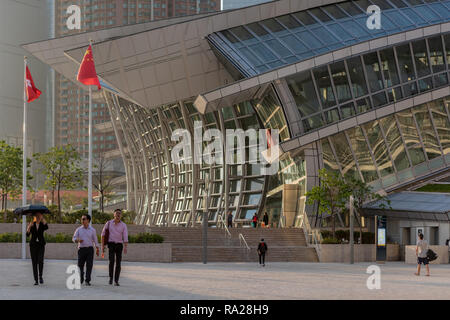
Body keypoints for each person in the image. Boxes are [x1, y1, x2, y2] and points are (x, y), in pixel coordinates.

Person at [101, 209, 128, 286]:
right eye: (117, 214)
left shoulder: (123, 225)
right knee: (111, 261)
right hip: (111, 244)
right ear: (114, 215)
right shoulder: (108, 223)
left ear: (121, 215)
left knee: (118, 263)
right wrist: (102, 246)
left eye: (119, 214)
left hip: (119, 245)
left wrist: (125, 247)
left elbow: (125, 236)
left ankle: (116, 280)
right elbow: (103, 234)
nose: (118, 215)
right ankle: (110, 277)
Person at [72, 214, 99, 286]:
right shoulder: (78, 229)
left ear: (88, 220)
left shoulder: (92, 230)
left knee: (89, 265)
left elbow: (95, 240)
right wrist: (77, 240)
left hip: (90, 249)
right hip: (81, 249)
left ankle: (87, 280)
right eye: (82, 219)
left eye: (84, 219)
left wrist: (97, 248)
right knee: (80, 265)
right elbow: (73, 238)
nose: (82, 220)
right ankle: (81, 277)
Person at [26, 213, 48, 285]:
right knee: (34, 262)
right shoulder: (32, 224)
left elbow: (46, 227)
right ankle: (36, 280)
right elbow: (27, 235)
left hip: (41, 245)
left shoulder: (42, 224)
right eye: (37, 216)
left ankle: (40, 276)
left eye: (39, 216)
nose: (38, 217)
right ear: (34, 217)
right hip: (33, 245)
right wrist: (29, 227)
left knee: (40, 260)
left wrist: (43, 219)